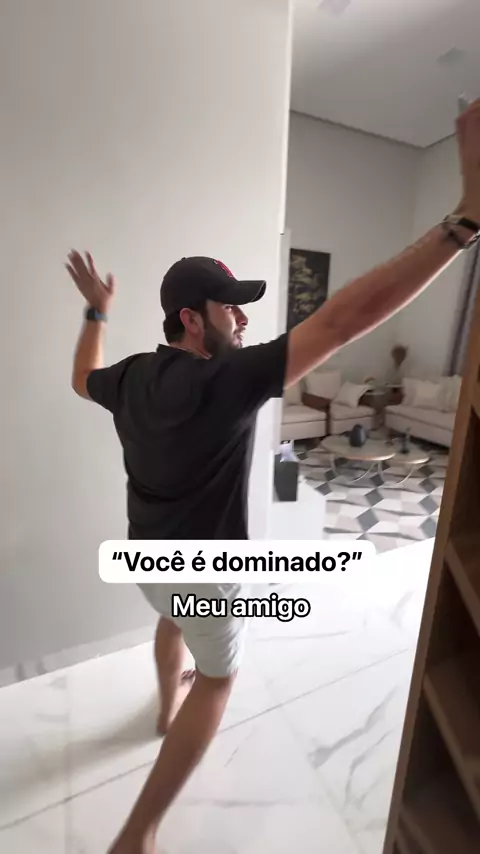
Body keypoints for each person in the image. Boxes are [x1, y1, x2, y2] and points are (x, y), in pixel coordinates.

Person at [67, 100, 480, 854]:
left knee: (170, 619)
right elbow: (342, 321)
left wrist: (96, 314)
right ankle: (138, 833)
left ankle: (162, 709)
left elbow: (78, 378)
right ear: (193, 319)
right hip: (204, 570)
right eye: (232, 310)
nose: (244, 322)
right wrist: (464, 222)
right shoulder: (226, 382)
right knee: (219, 680)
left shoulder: (129, 375)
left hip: (143, 555)